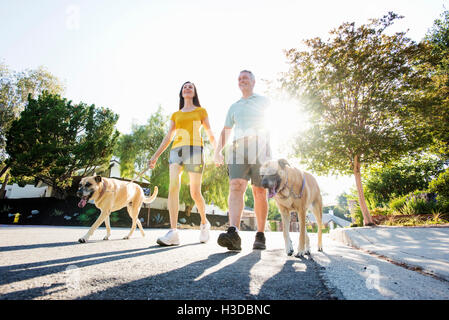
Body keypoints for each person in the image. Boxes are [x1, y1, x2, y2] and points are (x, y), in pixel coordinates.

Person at [149, 81, 216, 246]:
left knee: (195, 193)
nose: (187, 88)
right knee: (173, 188)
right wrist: (155, 156)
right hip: (176, 151)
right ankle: (173, 232)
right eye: (185, 86)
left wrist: (218, 151)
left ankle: (204, 223)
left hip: (195, 150)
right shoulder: (176, 115)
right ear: (181, 92)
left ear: (194, 93)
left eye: (190, 87)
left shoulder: (201, 111)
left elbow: (209, 132)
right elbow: (168, 137)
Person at [214, 70, 271, 251]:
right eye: (239, 78)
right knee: (236, 185)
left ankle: (260, 234)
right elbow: (226, 131)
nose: (242, 80)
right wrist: (217, 151)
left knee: (259, 190)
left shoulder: (264, 101)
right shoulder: (234, 106)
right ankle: (233, 233)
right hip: (238, 148)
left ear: (254, 81)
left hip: (260, 147)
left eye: (245, 77)